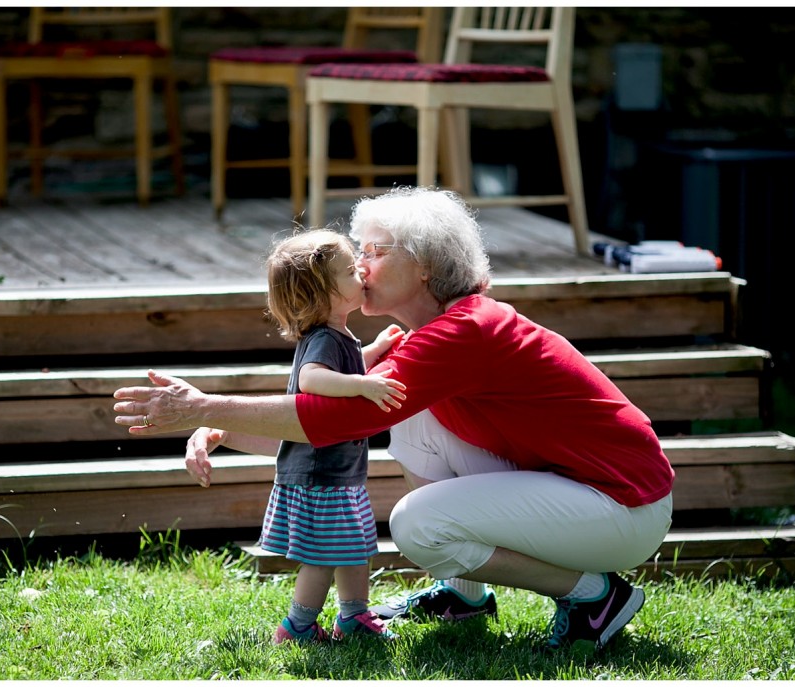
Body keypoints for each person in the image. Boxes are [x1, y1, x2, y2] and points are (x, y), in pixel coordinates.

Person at [114, 186, 675, 652]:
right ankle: (464, 595)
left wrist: (207, 407)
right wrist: (221, 429)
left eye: (375, 251)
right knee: (409, 422)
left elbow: (326, 422)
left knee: (417, 525)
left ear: (425, 265)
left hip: (623, 504)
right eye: (358, 251)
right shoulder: (423, 338)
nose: (359, 264)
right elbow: (327, 427)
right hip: (583, 486)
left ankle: (594, 597)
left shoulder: (462, 334)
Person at [204, 229, 407, 644]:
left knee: (354, 549)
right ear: (322, 293)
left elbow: (342, 368)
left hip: (339, 472)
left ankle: (353, 617)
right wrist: (363, 385)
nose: (362, 272)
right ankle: (297, 626)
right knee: (323, 557)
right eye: (350, 270)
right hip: (320, 476)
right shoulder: (322, 339)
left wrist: (374, 351)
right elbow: (313, 380)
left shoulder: (339, 336)